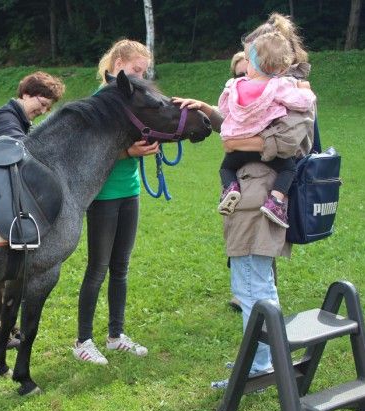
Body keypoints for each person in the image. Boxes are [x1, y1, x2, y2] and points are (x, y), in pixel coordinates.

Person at [176, 12, 316, 388]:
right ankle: (261, 357)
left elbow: (288, 142)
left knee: (253, 287)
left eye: (249, 56)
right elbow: (241, 124)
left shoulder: (294, 93)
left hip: (260, 199)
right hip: (250, 196)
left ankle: (260, 365)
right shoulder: (271, 91)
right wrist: (209, 112)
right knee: (253, 285)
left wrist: (236, 143)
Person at [72, 39, 159, 365]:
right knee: (98, 268)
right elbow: (89, 154)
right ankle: (83, 341)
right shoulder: (100, 101)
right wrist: (129, 151)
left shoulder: (131, 99)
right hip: (104, 195)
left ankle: (115, 336)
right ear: (118, 64)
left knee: (120, 267)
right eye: (136, 70)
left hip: (129, 190)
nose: (140, 76)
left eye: (144, 72)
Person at [0, 71, 66, 348]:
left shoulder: (20, 120)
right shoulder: (6, 118)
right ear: (26, 93)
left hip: (2, 194)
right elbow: (27, 152)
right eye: (42, 102)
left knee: (2, 268)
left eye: (48, 107)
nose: (44, 110)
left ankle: (1, 327)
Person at [216, 31, 316, 228]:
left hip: (236, 148)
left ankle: (230, 188)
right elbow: (302, 102)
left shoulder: (235, 85)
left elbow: (224, 109)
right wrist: (306, 91)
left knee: (225, 168)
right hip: (266, 147)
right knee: (288, 168)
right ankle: (275, 201)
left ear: (252, 64)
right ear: (282, 68)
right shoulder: (278, 86)